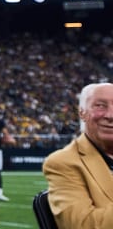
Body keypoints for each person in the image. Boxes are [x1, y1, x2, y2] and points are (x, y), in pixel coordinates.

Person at [42, 82, 113, 229]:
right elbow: (82, 225)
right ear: (82, 112)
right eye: (100, 105)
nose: (110, 115)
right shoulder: (62, 162)